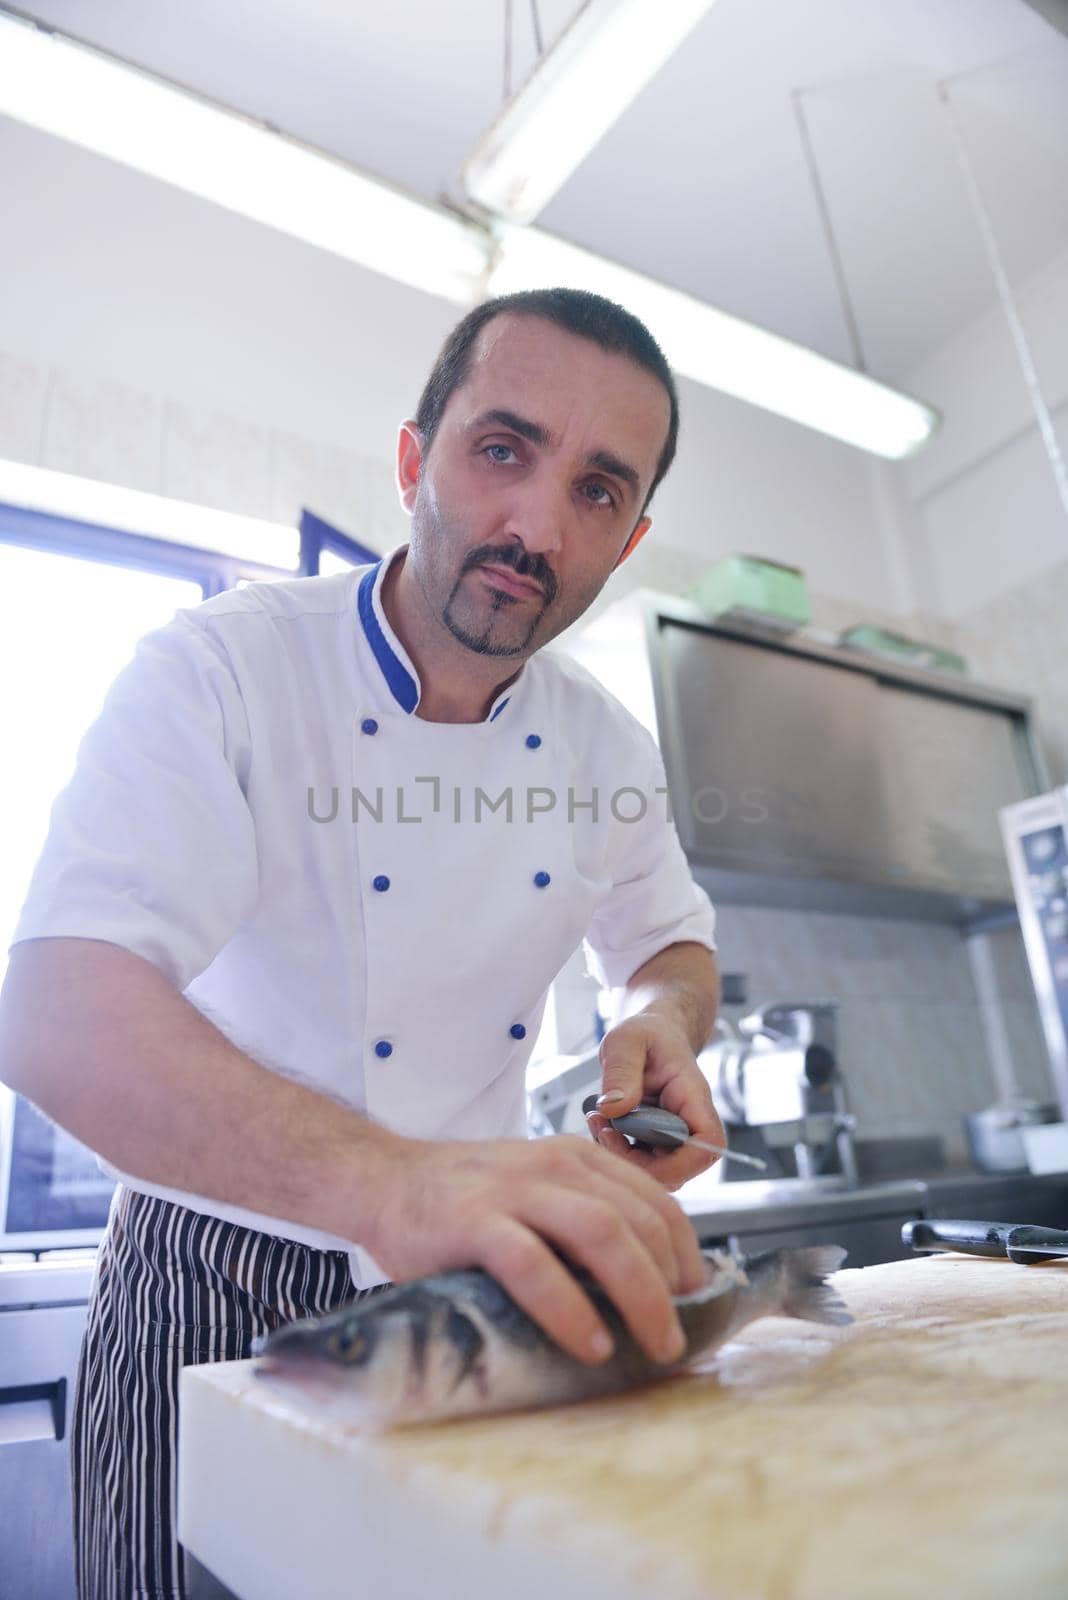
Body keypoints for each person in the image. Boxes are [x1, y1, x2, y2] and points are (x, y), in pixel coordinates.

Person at [0, 287, 723, 1600]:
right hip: (204, 1284)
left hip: (463, 1299)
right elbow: (53, 1008)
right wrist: (398, 1186)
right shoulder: (223, 670)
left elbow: (671, 944)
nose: (535, 526)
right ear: (412, 459)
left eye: (598, 490)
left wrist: (658, 1021)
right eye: (502, 449)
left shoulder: (607, 744)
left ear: (632, 537)